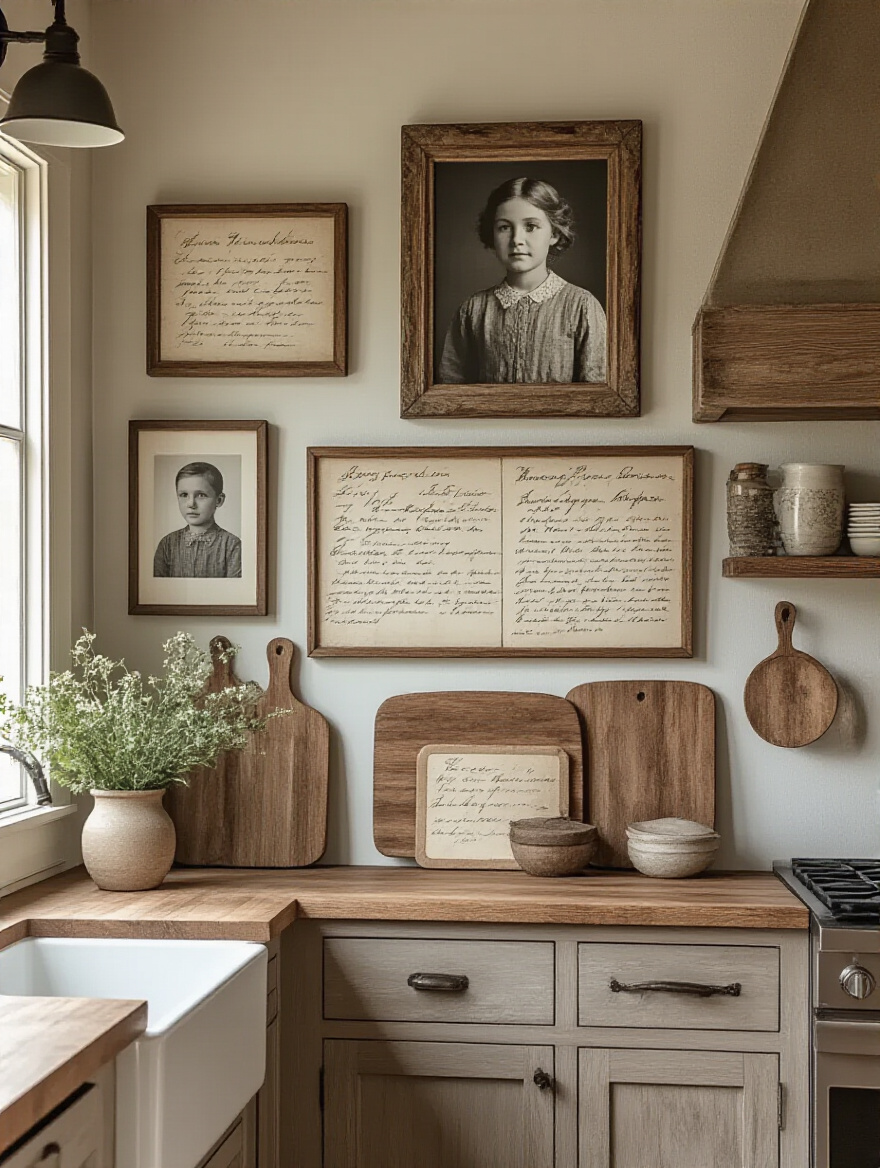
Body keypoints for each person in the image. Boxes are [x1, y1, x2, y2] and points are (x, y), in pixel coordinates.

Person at [438, 176, 607, 385]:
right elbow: (451, 386)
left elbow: (598, 390)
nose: (516, 239)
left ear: (554, 233)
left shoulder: (581, 306)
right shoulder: (473, 310)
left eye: (531, 226)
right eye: (504, 227)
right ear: (492, 233)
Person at [153, 461, 242, 578]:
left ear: (219, 500)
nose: (191, 504)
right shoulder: (167, 544)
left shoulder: (231, 545)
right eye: (184, 495)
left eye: (201, 495)